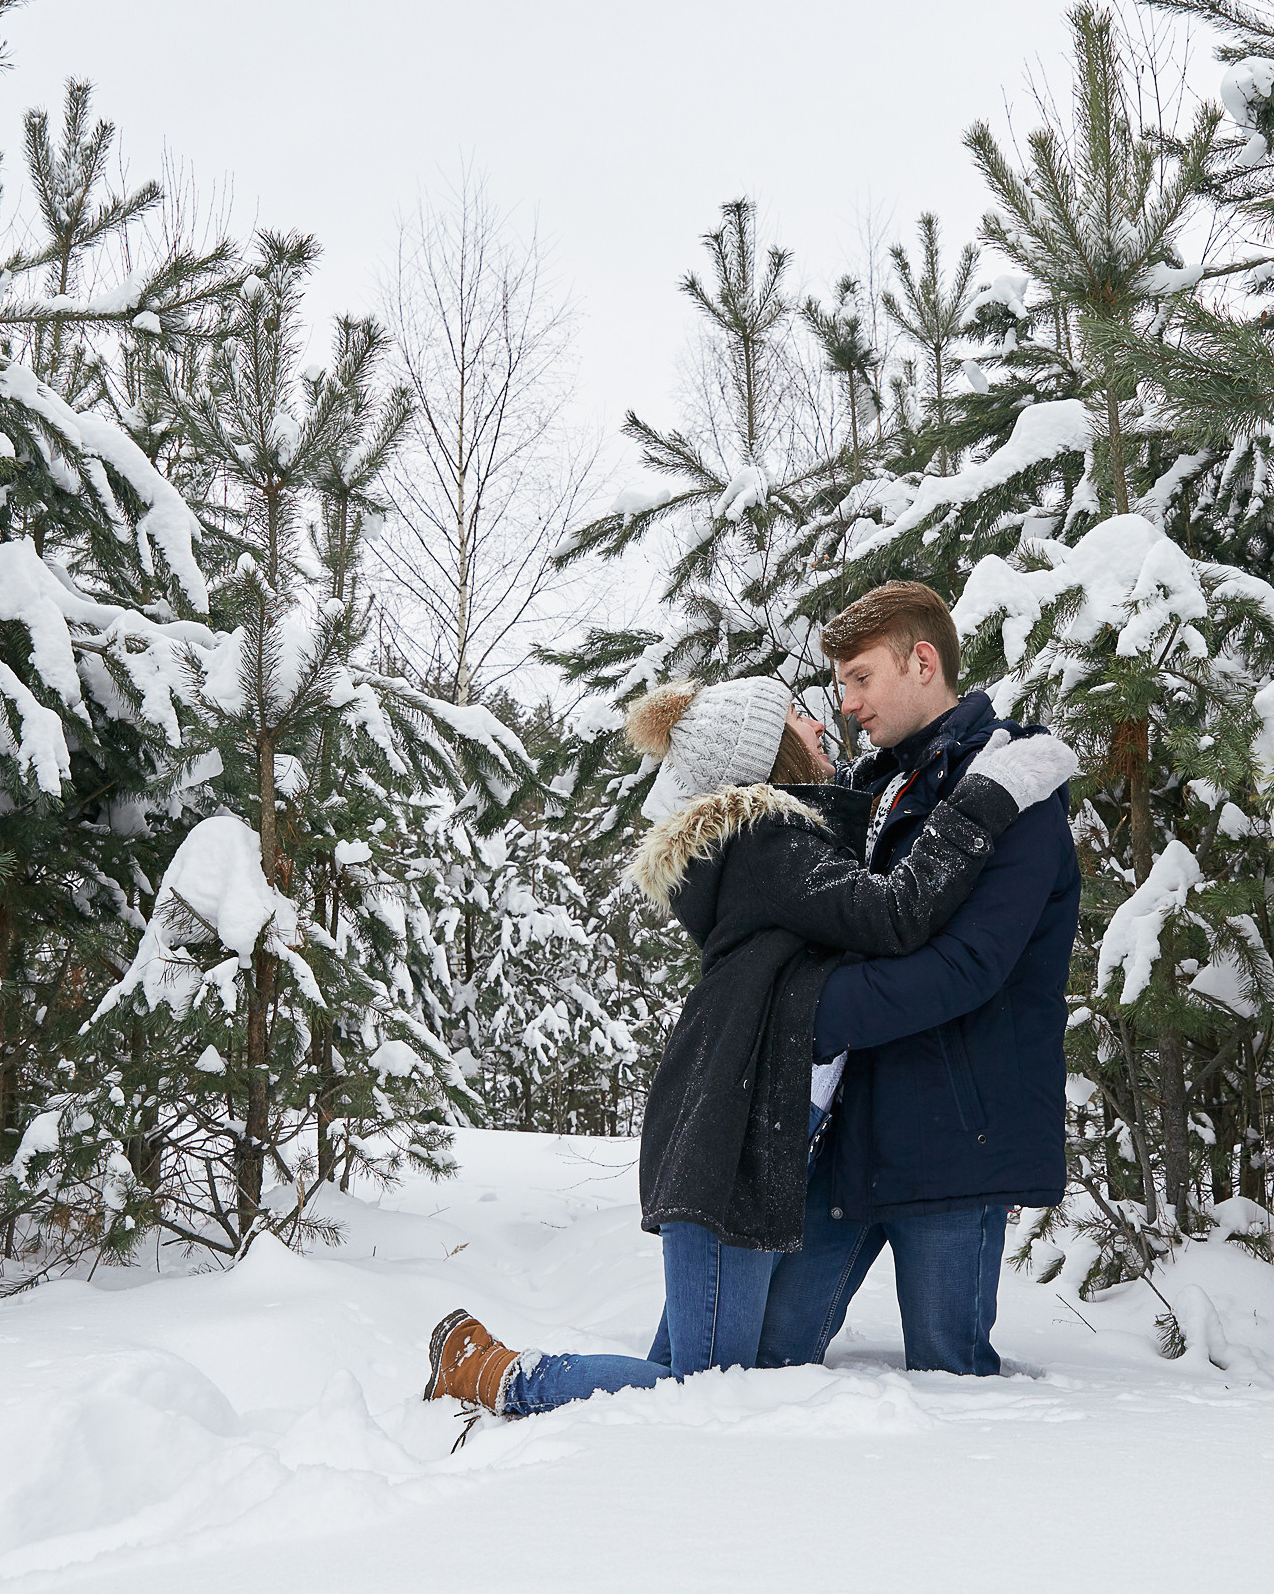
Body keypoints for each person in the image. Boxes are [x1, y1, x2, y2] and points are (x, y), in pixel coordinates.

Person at [422, 674, 1076, 1417]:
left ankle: (492, 1369)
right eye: (801, 716)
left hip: (747, 1136)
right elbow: (897, 913)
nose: (823, 723)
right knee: (704, 1388)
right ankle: (498, 1374)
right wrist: (986, 795)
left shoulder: (776, 844)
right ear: (769, 750)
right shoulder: (769, 845)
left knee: (696, 1368)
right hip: (725, 1144)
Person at [756, 580, 1082, 1378]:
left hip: (955, 1146)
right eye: (842, 687)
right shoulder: (875, 789)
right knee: (769, 1358)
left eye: (861, 678)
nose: (850, 704)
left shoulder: (1015, 788)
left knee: (950, 1379)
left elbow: (970, 967)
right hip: (856, 1138)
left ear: (923, 660)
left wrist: (814, 1012)